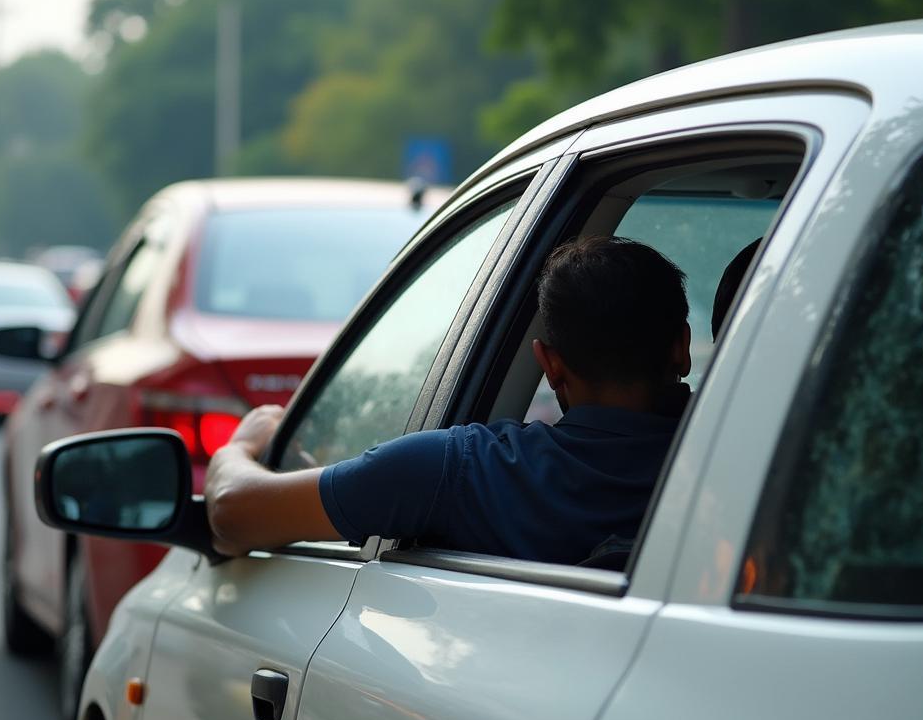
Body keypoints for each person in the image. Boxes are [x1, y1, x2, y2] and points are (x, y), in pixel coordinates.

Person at [206, 235, 692, 565]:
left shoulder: (461, 470)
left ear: (550, 363)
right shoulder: (746, 470)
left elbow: (232, 512)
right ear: (683, 347)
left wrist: (242, 446)